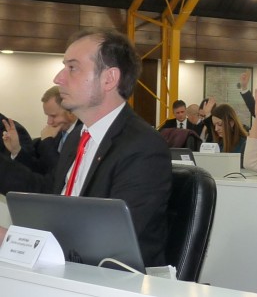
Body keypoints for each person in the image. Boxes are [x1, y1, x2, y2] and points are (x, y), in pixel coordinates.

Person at [0, 28, 171, 267]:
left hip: (112, 280)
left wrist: (17, 240)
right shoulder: (78, 137)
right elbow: (50, 194)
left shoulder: (143, 147)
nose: (58, 78)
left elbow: (111, 242)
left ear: (109, 78)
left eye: (72, 67)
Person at [2, 86, 79, 175]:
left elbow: (64, 173)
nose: (49, 122)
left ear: (70, 111)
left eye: (53, 116)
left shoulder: (84, 135)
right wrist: (16, 150)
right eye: (47, 116)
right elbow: (40, 171)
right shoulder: (56, 135)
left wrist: (47, 142)